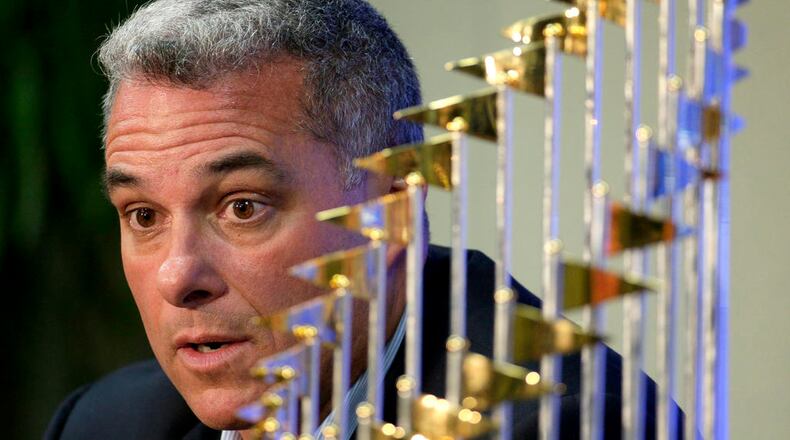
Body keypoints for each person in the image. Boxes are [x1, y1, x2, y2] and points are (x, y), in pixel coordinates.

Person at [45, 1, 671, 439]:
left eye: (242, 207)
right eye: (143, 214)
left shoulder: (567, 423)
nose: (177, 277)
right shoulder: (106, 423)